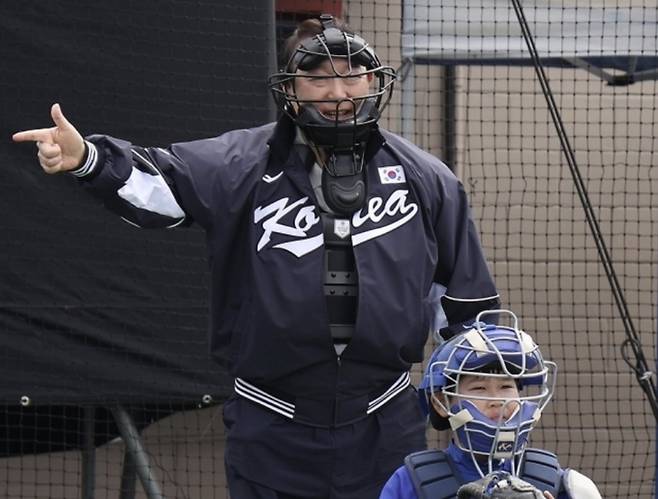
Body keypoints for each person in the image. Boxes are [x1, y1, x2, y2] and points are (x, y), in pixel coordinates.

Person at [12, 14, 500, 499]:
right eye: (319, 77)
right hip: (271, 428)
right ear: (290, 89)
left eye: (353, 74)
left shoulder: (428, 180)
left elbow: (467, 308)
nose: (339, 92)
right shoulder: (241, 165)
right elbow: (160, 185)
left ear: (374, 80)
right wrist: (87, 159)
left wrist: (474, 406)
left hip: (385, 422)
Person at [379, 310, 602, 499]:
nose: (498, 400)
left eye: (506, 387)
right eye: (479, 389)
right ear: (440, 402)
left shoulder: (563, 485)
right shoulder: (409, 482)